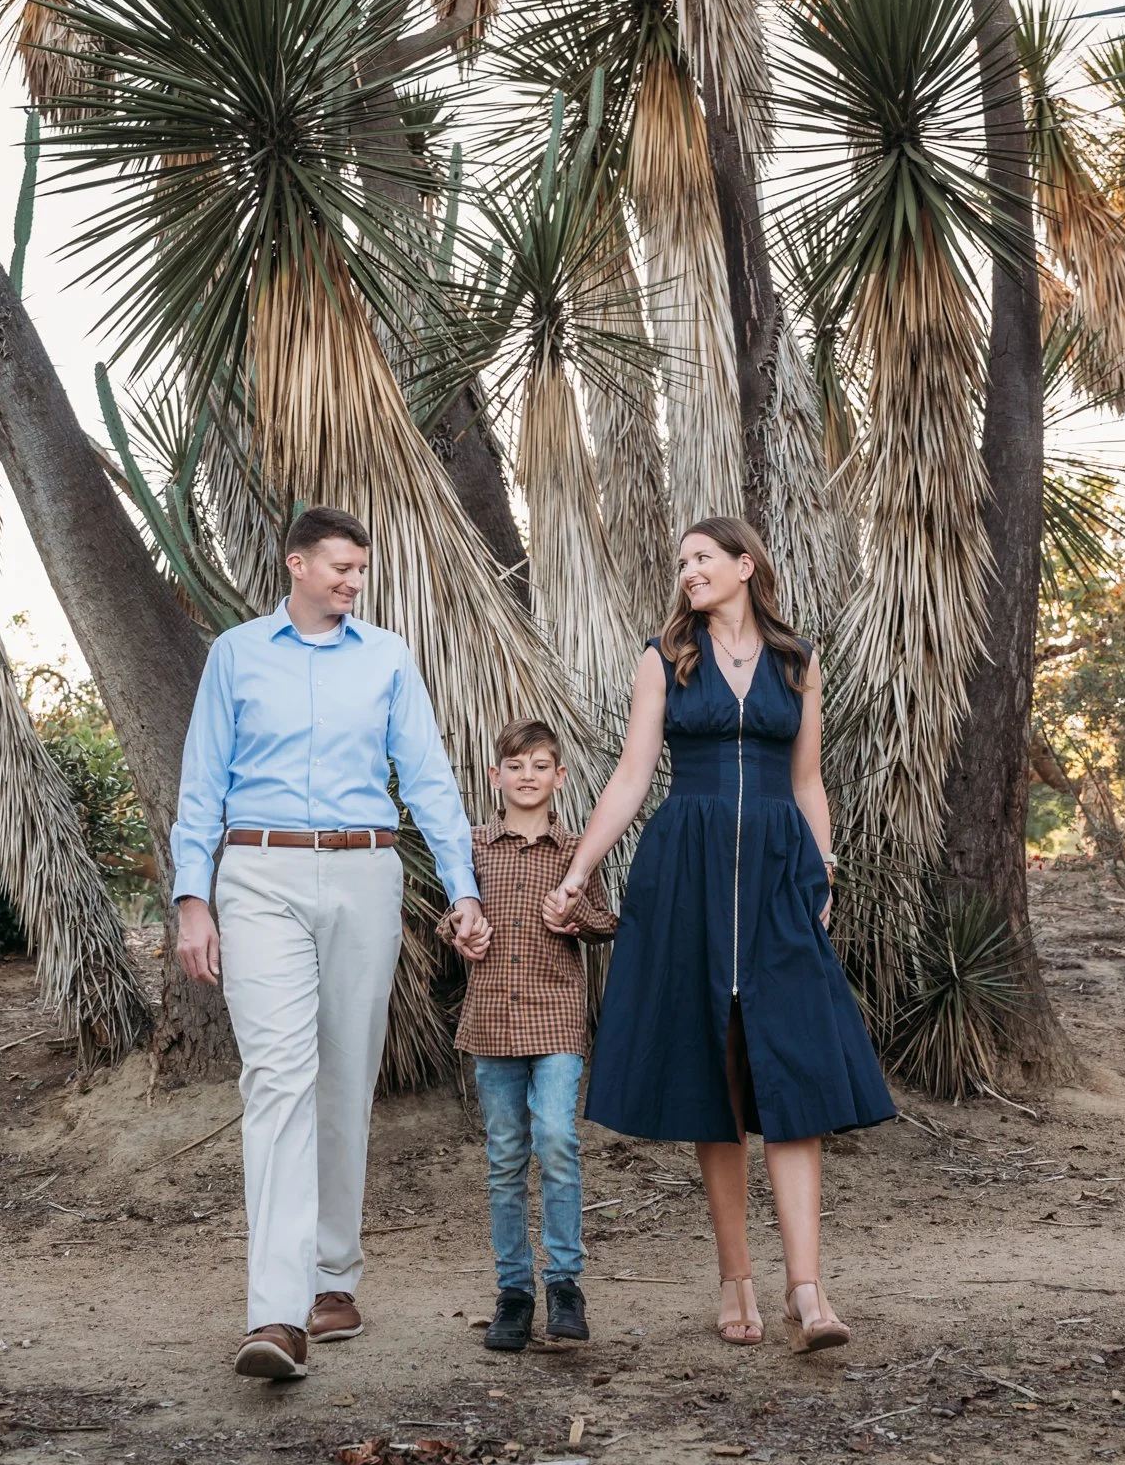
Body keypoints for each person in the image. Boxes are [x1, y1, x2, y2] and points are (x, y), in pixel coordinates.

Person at [543, 516, 894, 1351]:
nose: (688, 571)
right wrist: (578, 870)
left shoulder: (796, 661)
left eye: (702, 558)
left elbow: (808, 782)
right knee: (718, 1076)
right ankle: (736, 1277)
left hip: (779, 873)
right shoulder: (664, 658)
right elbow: (632, 775)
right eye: (680, 563)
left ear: (745, 566)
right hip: (686, 873)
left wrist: (824, 874)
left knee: (796, 1074)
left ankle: (807, 1291)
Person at [172, 504, 489, 1381]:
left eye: (361, 570)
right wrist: (192, 897)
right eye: (340, 568)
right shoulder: (235, 654)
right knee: (276, 1078)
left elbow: (425, 775)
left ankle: (332, 1279)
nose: (353, 582)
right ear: (297, 565)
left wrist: (463, 888)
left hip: (363, 873)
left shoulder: (387, 656)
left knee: (346, 1074)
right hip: (259, 874)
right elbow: (201, 782)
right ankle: (274, 1315)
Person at [442, 718, 617, 1354]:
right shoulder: (473, 846)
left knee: (557, 1139)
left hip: (556, 1018)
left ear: (559, 777)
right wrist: (461, 930)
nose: (527, 776)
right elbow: (454, 914)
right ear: (496, 775)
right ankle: (513, 1292)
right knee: (506, 1157)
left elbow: (605, 922)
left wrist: (577, 916)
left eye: (540, 765)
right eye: (515, 765)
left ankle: (565, 1284)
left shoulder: (576, 853)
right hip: (491, 1021)